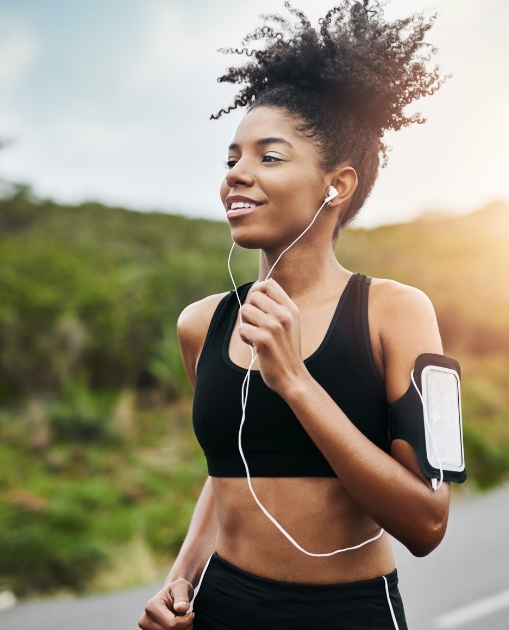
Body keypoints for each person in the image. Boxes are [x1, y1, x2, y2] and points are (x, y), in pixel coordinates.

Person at [138, 2, 449, 629]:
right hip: (219, 609)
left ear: (336, 185)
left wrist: (296, 383)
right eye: (232, 159)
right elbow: (231, 468)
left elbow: (427, 523)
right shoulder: (202, 324)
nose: (235, 177)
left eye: (267, 157)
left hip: (348, 614)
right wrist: (180, 579)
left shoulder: (395, 312)